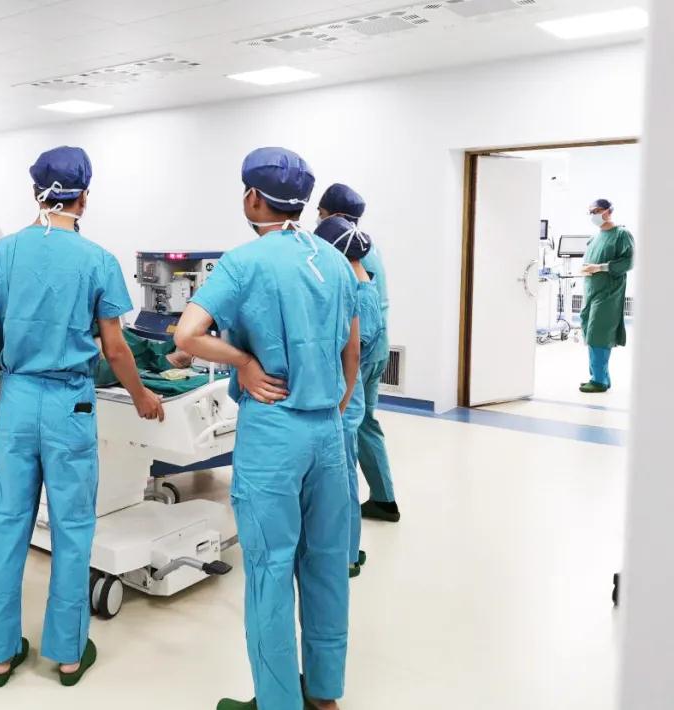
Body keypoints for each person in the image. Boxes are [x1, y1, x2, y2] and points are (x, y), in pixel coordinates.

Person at [0, 146, 166, 688]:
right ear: (84, 197)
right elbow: (116, 349)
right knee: (73, 529)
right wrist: (142, 396)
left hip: (16, 399)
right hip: (69, 405)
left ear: (36, 193)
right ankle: (68, 654)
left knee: (8, 526)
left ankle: (0, 655)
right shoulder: (97, 260)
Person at [175, 147, 359, 710]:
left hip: (274, 433)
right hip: (327, 432)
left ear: (253, 198)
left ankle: (278, 701)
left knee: (271, 568)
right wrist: (329, 404)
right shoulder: (334, 260)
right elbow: (352, 352)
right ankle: (324, 693)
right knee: (326, 562)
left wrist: (245, 364)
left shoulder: (243, 263)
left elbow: (187, 335)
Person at [319, 184, 399, 523]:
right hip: (377, 349)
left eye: (322, 215)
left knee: (347, 431)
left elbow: (353, 327)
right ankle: (383, 498)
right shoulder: (369, 247)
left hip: (361, 353)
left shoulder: (346, 255)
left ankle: (344, 525)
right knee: (366, 422)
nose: (318, 220)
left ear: (336, 216)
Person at [315, 216, 386, 579]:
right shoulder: (361, 284)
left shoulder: (359, 293)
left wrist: (341, 402)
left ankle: (346, 556)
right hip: (346, 392)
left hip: (346, 395)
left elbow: (354, 353)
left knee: (342, 477)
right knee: (339, 475)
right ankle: (343, 548)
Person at [579, 199, 635, 393]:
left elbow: (629, 261)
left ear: (608, 211)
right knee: (590, 332)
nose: (593, 215)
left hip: (608, 293)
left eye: (596, 210)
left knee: (599, 334)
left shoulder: (621, 234)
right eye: (590, 211)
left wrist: (600, 267)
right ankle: (601, 376)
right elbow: (591, 260)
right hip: (591, 291)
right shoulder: (594, 238)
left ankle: (599, 381)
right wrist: (587, 269)